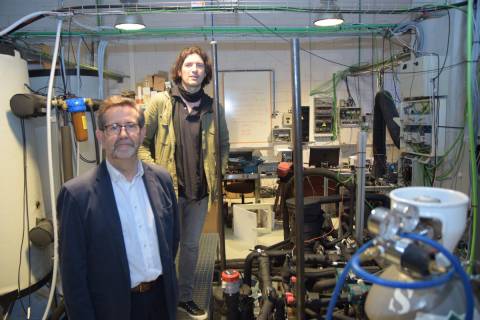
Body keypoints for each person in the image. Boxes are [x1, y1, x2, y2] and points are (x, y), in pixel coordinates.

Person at [57, 95, 179, 320]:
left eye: (130, 126)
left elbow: (172, 241)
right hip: (112, 309)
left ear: (142, 133)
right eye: (113, 127)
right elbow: (73, 277)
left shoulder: (162, 180)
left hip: (162, 302)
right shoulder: (77, 196)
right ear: (100, 136)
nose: (123, 134)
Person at [138, 45, 229, 319]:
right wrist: (156, 175)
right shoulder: (160, 103)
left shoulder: (214, 108)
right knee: (164, 247)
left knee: (190, 248)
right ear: (179, 71)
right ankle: (161, 297)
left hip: (199, 194)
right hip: (166, 193)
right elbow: (142, 143)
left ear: (206, 73)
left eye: (199, 66)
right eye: (189, 65)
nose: (194, 70)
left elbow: (223, 145)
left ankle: (185, 297)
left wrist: (216, 173)